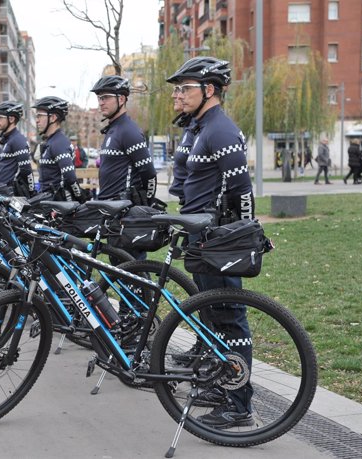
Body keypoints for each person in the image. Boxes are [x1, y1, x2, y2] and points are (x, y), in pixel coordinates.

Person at [167, 56, 255, 429]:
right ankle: (223, 386)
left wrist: (239, 238)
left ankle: (240, 405)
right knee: (213, 315)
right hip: (200, 235)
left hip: (217, 239)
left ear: (209, 90)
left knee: (230, 318)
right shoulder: (201, 127)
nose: (178, 95)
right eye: (177, 89)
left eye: (184, 88)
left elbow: (243, 192)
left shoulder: (220, 130)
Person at [90, 75, 157, 205]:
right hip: (106, 205)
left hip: (120, 209)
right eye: (99, 98)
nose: (101, 102)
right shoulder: (112, 129)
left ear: (121, 99)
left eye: (106, 97)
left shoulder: (129, 131)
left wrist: (147, 204)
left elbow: (149, 174)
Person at [31, 96, 86, 202]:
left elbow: (70, 178)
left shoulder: (59, 143)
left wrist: (81, 199)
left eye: (40, 116)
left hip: (56, 204)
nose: (37, 120)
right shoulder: (51, 141)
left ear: (53, 118)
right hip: (47, 199)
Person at [0, 100, 35, 196]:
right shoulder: (9, 139)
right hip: (2, 192)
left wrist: (31, 193)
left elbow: (27, 170)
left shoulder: (17, 140)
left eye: (0, 118)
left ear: (11, 119)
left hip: (10, 194)